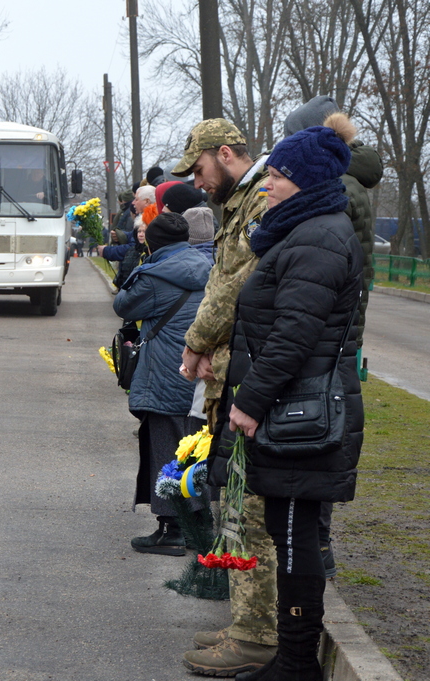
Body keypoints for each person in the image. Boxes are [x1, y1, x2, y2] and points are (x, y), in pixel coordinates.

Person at [212, 114, 364, 681]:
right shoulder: (302, 232)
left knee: (296, 537)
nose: (267, 184)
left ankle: (298, 665)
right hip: (293, 414)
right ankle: (291, 658)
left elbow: (294, 336)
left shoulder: (320, 237)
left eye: (277, 176)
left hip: (301, 419)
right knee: (288, 531)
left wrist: (249, 401)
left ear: (306, 181)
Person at [174, 119, 276, 677]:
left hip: (252, 369)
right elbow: (221, 279)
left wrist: (197, 341)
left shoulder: (257, 202)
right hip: (235, 363)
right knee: (235, 501)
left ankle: (256, 632)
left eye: (199, 166)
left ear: (226, 154)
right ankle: (246, 621)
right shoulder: (241, 202)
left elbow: (236, 285)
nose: (196, 178)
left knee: (248, 506)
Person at [281, 97, 383, 580]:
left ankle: (317, 550)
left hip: (332, 327)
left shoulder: (337, 186)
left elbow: (325, 269)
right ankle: (317, 545)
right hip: (344, 323)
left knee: (319, 431)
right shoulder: (352, 181)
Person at [113, 213, 212, 553]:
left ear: (152, 242)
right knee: (196, 449)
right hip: (201, 375)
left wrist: (142, 265)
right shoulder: (210, 268)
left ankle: (171, 530)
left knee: (165, 450)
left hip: (165, 377)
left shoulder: (154, 275)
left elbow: (122, 304)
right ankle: (199, 524)